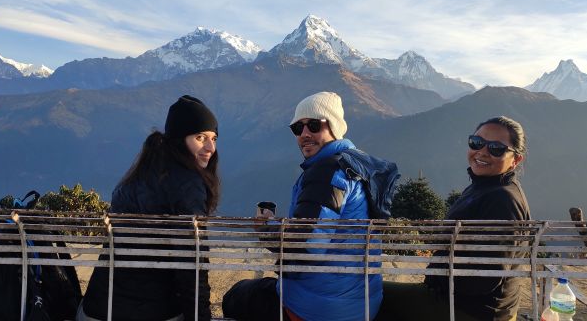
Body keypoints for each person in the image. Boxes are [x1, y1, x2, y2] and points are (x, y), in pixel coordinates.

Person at [222, 91, 400, 321]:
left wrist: (266, 228)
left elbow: (307, 245)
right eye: (298, 128)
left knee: (236, 297)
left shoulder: (327, 172)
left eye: (314, 125)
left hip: (318, 309)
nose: (305, 134)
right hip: (359, 303)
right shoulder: (356, 165)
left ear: (334, 128)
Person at [375, 116, 531, 321]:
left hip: (470, 311)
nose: (482, 151)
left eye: (496, 148)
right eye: (477, 143)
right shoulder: (487, 186)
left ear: (516, 159)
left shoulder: (502, 200)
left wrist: (437, 276)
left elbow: (485, 279)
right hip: (465, 303)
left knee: (365, 294)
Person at [79, 95, 220, 321]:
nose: (210, 147)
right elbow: (192, 269)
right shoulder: (188, 184)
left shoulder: (139, 175)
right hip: (150, 313)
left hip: (95, 311)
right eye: (200, 137)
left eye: (213, 138)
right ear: (179, 139)